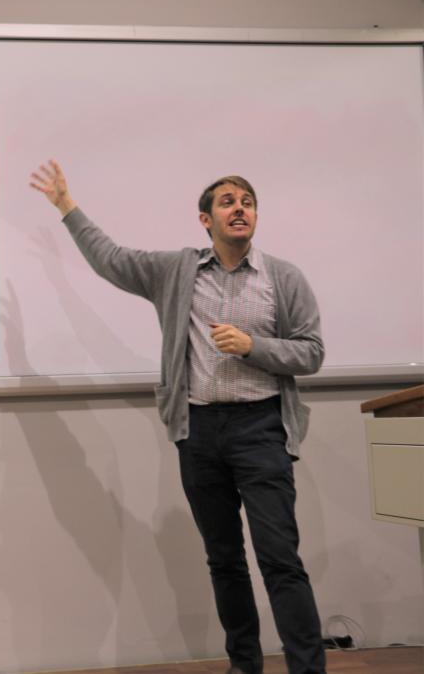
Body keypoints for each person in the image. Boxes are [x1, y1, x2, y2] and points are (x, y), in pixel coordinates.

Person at [29, 161, 326, 674]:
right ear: (206, 220)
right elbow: (112, 260)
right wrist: (65, 206)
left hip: (261, 429)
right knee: (224, 560)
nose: (240, 209)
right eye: (228, 202)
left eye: (248, 202)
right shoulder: (178, 270)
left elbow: (312, 352)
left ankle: (308, 669)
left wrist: (253, 346)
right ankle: (244, 665)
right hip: (200, 432)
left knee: (280, 558)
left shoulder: (283, 278)